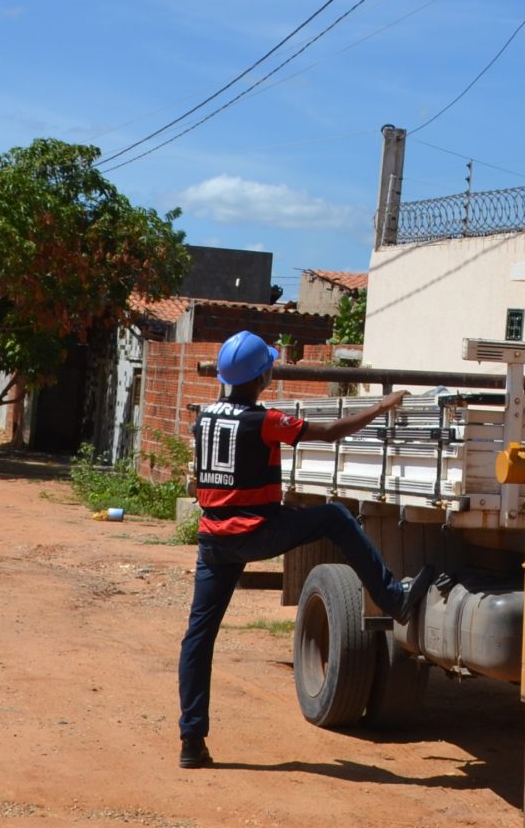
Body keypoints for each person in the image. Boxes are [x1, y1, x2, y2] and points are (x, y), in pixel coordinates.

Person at [176, 330, 435, 770]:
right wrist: (381, 407)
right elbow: (331, 432)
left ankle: (191, 741)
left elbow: (232, 478)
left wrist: (277, 502)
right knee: (334, 517)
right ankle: (393, 597)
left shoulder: (206, 418)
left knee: (198, 638)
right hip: (255, 534)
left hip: (213, 541)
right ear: (264, 376)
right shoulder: (266, 421)